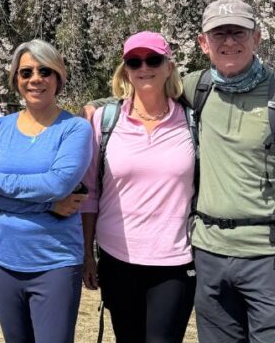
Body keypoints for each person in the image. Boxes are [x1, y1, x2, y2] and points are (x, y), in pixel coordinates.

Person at [187, 0, 275, 343]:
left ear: (257, 37)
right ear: (204, 43)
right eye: (219, 34)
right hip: (209, 254)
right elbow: (139, 94)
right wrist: (88, 112)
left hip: (268, 258)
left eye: (238, 33)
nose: (229, 42)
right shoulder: (195, 87)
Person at [0, 39, 92, 343]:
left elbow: (57, 184)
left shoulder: (75, 129)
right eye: (26, 73)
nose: (35, 79)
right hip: (1, 259)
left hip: (55, 261)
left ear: (58, 77)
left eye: (45, 71)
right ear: (16, 80)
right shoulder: (0, 128)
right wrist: (48, 206)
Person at [79, 31, 196, 343]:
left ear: (169, 66)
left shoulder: (191, 121)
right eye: (134, 61)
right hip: (118, 257)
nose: (144, 67)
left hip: (174, 259)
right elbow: (90, 193)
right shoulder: (105, 120)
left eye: (153, 59)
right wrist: (88, 254)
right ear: (125, 70)